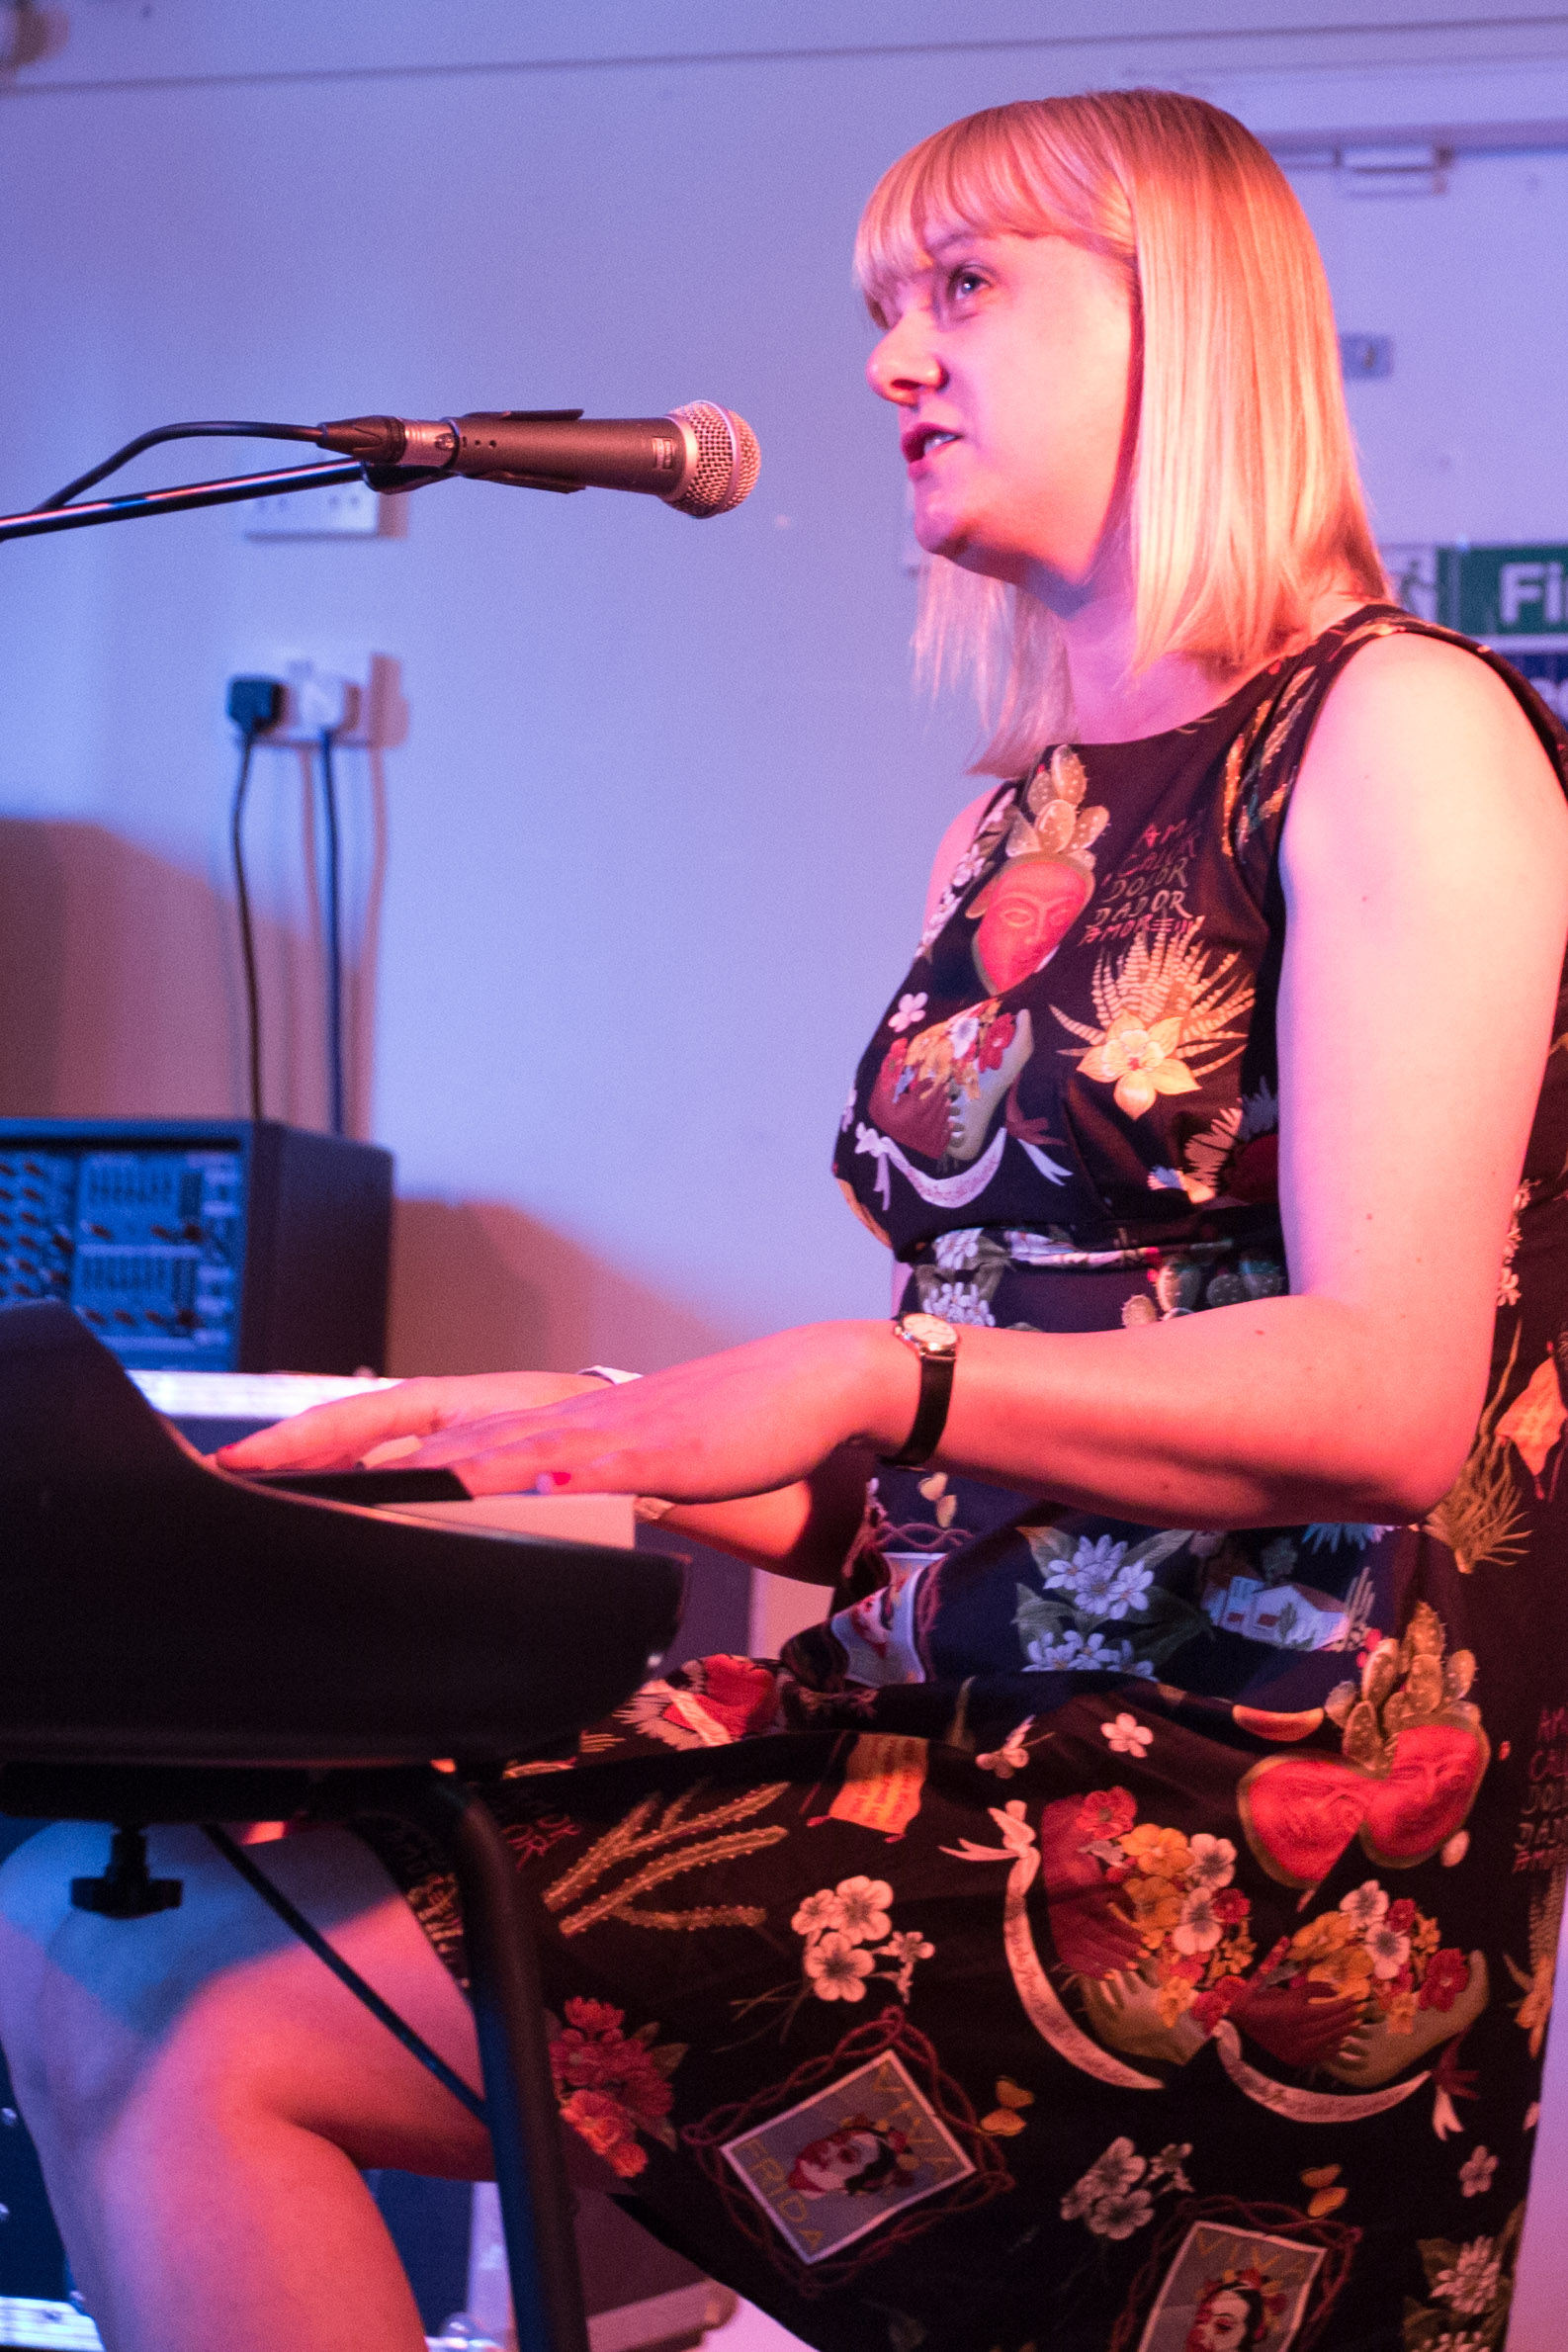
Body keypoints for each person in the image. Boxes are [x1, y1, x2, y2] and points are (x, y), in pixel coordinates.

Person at [1, 87, 1566, 2352]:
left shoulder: (1400, 730)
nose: (888, 360)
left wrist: (861, 1366)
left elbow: (1391, 1392)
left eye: (964, 287)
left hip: (1239, 1816)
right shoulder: (1007, 831)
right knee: (79, 1917)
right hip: (945, 1720)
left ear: (1189, 320)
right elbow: (951, 1459)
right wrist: (574, 1434)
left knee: (186, 2004)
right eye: (880, 306)